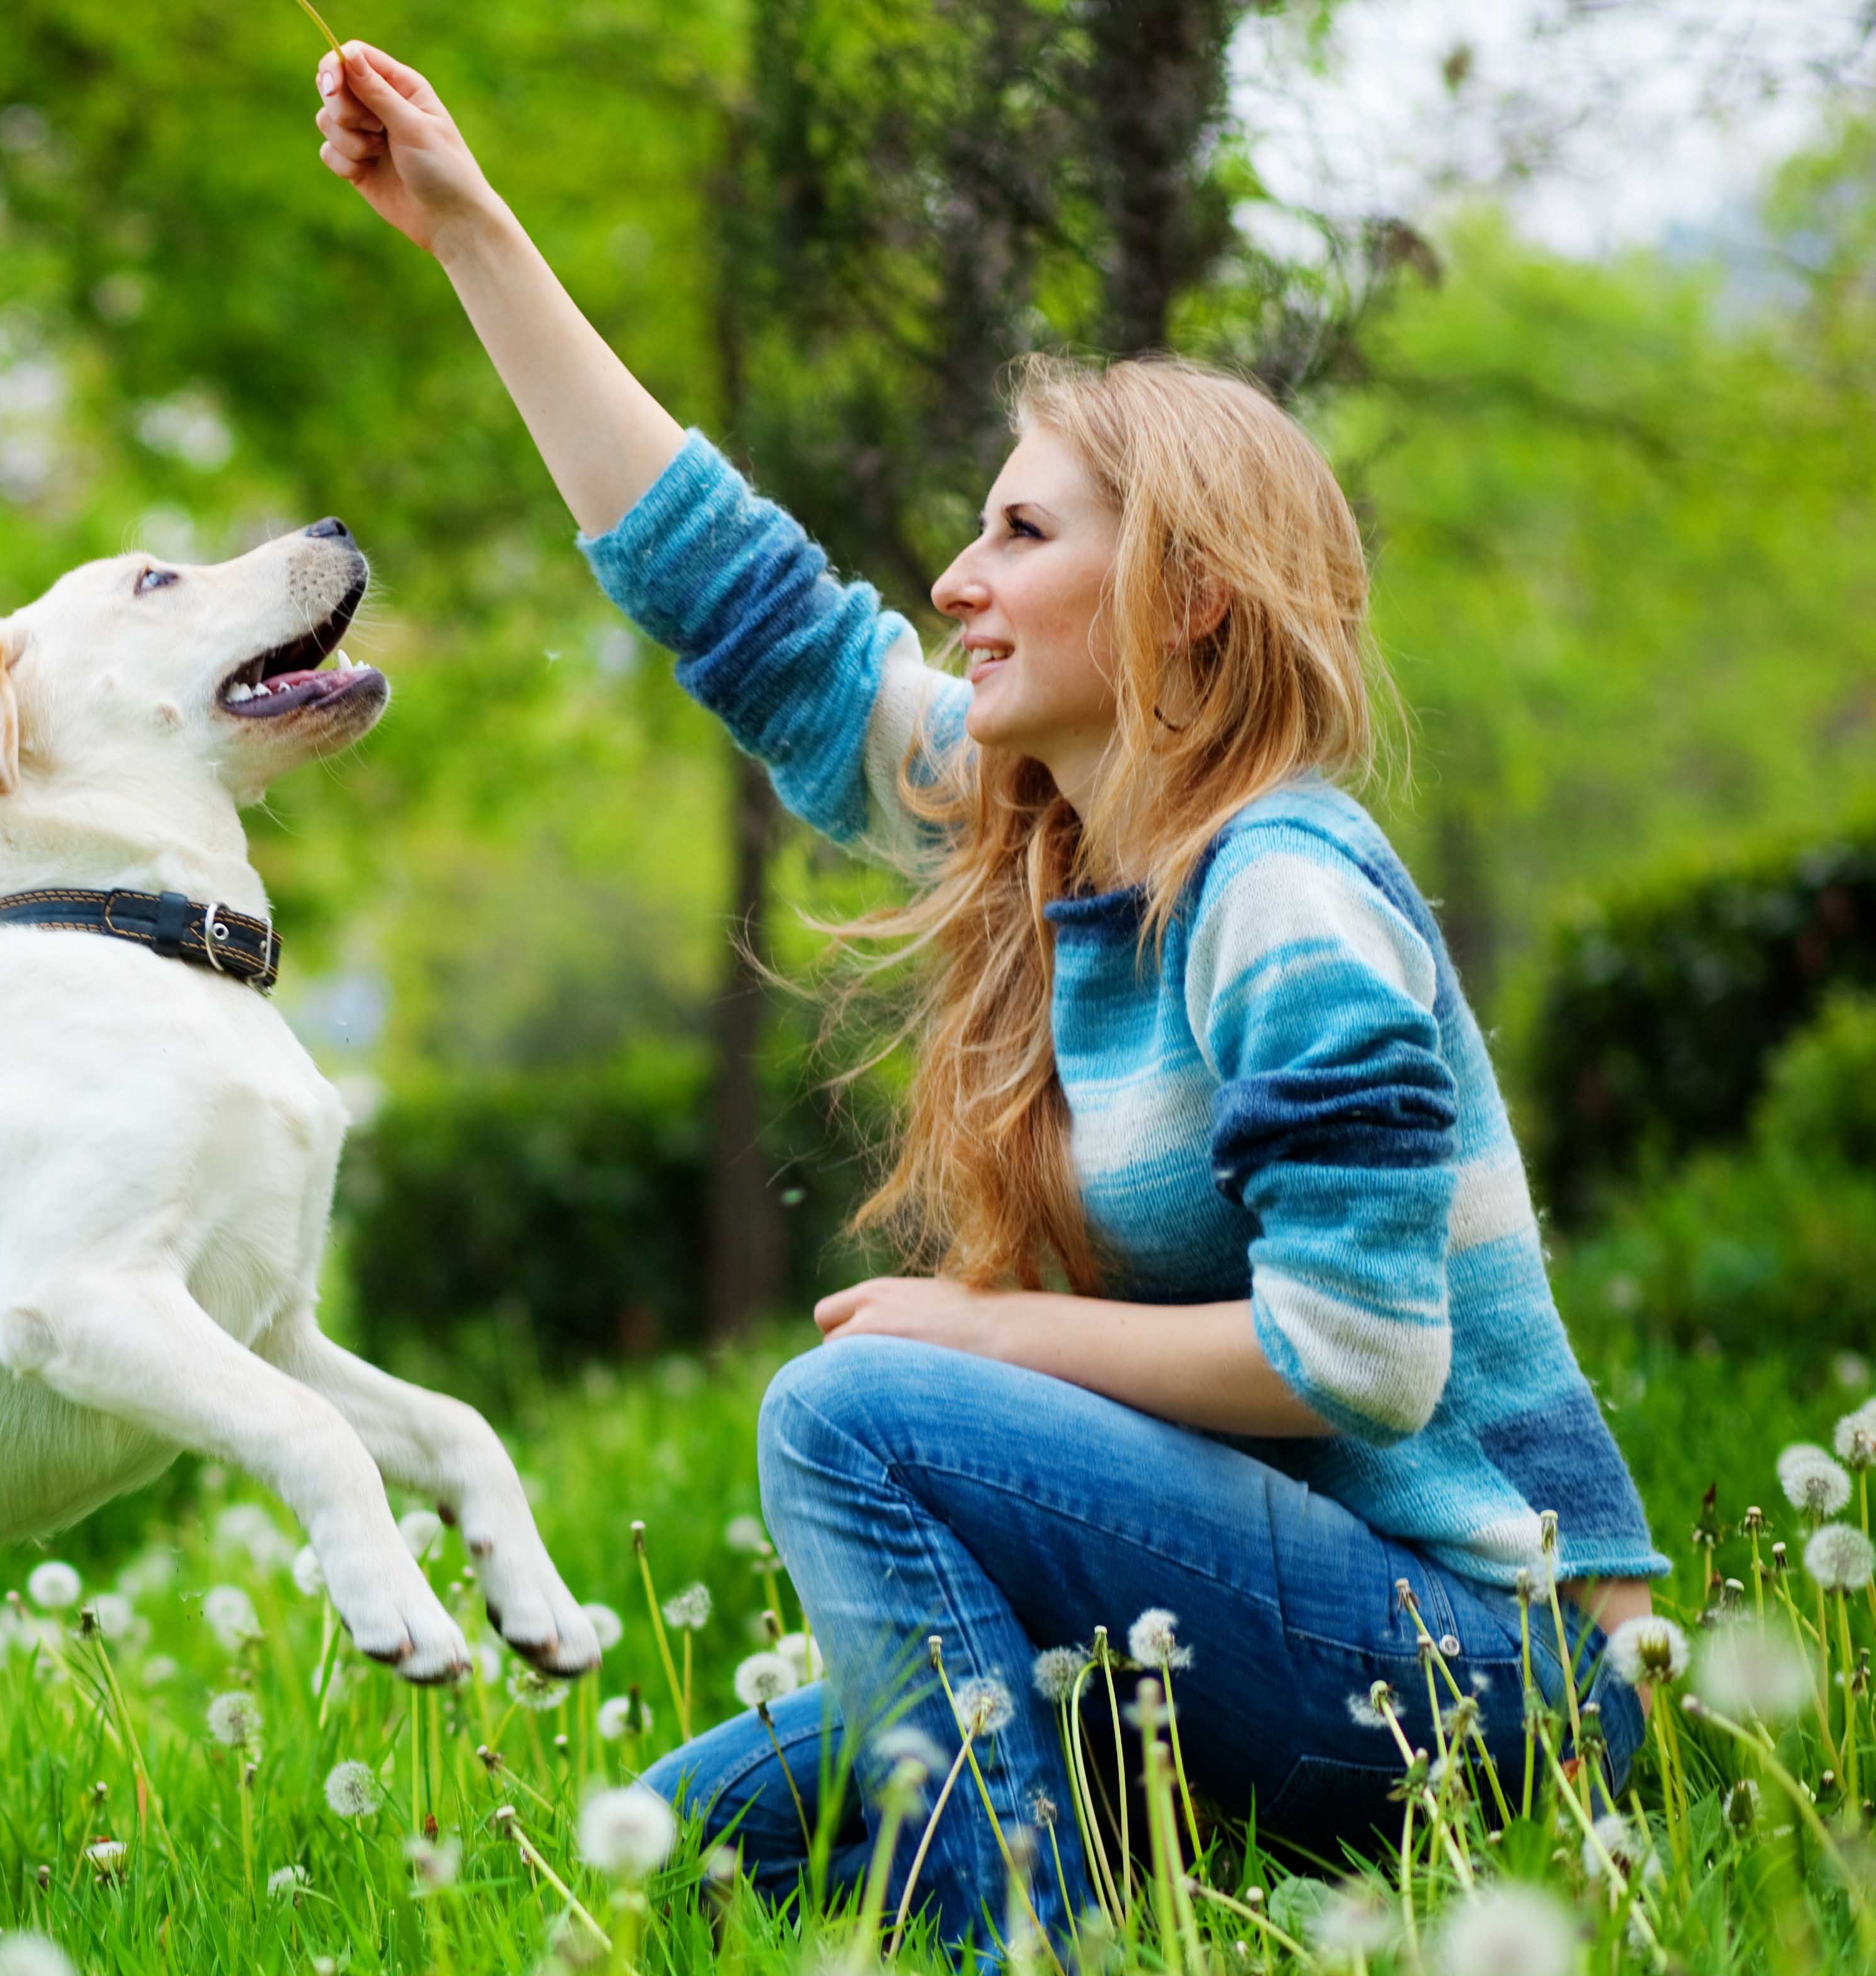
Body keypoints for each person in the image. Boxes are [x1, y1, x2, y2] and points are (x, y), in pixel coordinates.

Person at [309, 37, 1664, 1954]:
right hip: (1271, 1621)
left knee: (847, 1413)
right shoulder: (1061, 839)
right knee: (672, 1840)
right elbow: (752, 612)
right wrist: (470, 231)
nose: (954, 578)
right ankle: (1070, 1847)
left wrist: (983, 1338)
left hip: (1493, 1677)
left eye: (1021, 534)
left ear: (1185, 594)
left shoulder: (1284, 888)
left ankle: (1025, 1937)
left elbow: (1364, 1361)